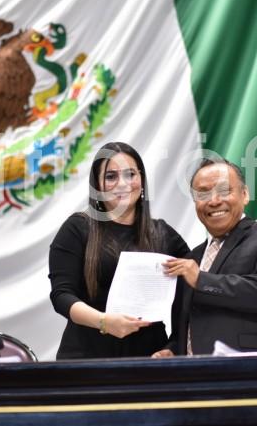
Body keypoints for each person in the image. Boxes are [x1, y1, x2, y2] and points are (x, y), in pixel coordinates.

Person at [48, 142, 190, 359]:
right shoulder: (78, 228)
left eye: (130, 174)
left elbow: (189, 297)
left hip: (150, 359)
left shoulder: (164, 234)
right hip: (86, 357)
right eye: (111, 176)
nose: (122, 184)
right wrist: (104, 322)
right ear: (98, 185)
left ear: (141, 180)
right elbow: (61, 296)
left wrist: (173, 345)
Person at [154, 158, 257, 356]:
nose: (214, 201)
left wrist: (201, 280)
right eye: (203, 193)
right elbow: (186, 324)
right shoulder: (192, 258)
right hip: (193, 378)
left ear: (245, 194)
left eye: (224, 191)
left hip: (252, 374)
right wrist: (172, 350)